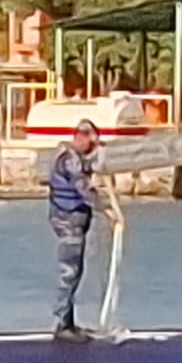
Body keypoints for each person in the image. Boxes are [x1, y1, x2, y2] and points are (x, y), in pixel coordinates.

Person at [47, 120, 118, 343]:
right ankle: (62, 323)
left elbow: (92, 171)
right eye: (91, 143)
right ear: (80, 136)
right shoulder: (69, 159)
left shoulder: (78, 159)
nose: (92, 148)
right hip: (67, 219)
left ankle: (69, 321)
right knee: (69, 271)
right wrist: (106, 210)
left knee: (76, 271)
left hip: (75, 219)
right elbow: (83, 187)